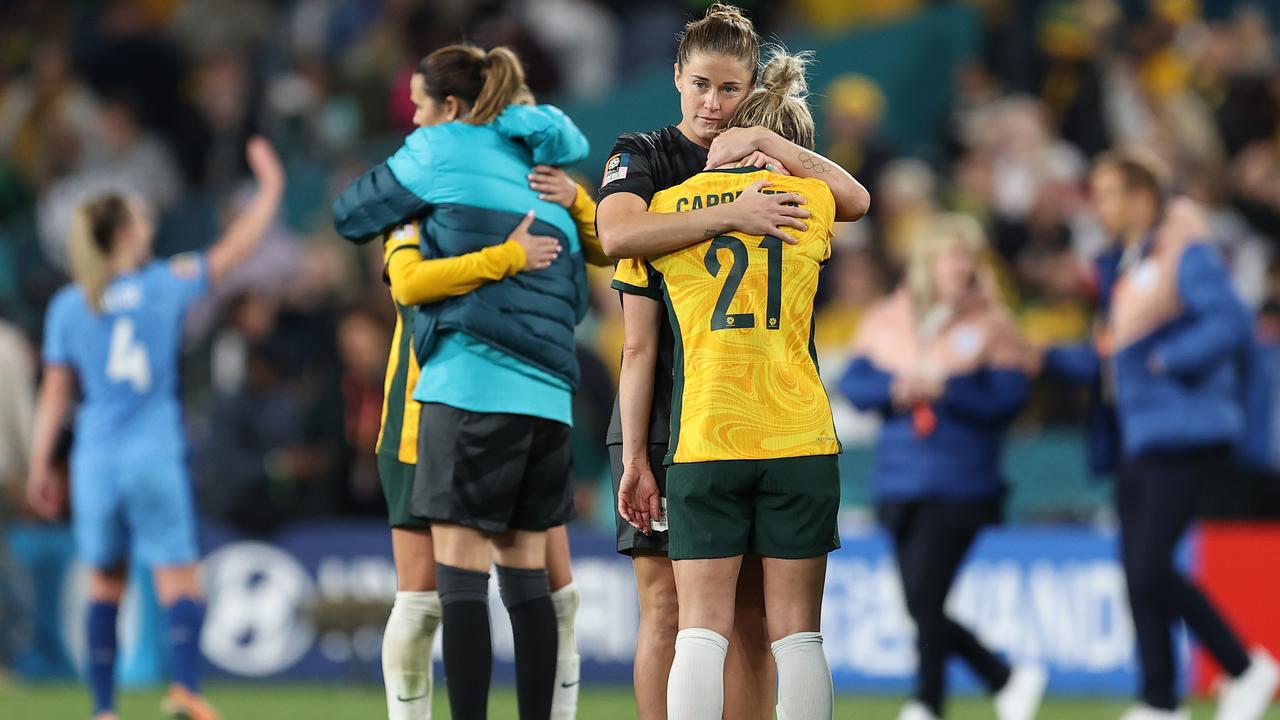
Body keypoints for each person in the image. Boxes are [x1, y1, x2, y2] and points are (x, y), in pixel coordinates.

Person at [595, 6, 869, 718]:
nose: (713, 105)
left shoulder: (768, 161)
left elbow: (854, 199)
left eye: (730, 91)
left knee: (740, 617)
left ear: (752, 91)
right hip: (669, 407)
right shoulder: (645, 153)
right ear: (677, 80)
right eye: (701, 87)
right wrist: (732, 215)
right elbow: (619, 233)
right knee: (665, 603)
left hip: (720, 415)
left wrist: (760, 147)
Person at [332, 44, 595, 720]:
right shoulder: (544, 176)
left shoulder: (436, 163)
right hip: (545, 395)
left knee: (452, 590)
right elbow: (591, 268)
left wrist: (496, 255)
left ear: (450, 109)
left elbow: (378, 245)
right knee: (527, 584)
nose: (412, 121)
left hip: (460, 394)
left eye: (420, 107)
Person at [26, 137, 284, 720]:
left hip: (95, 462)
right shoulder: (166, 284)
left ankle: (103, 709)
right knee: (178, 583)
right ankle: (185, 693)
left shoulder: (69, 305)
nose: (150, 226)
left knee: (104, 587)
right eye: (142, 220)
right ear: (124, 236)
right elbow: (235, 249)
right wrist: (269, 189)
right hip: (153, 456)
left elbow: (54, 395)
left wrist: (43, 464)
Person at [1061, 150, 1278, 720]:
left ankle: (1245, 667)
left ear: (1141, 196)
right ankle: (1160, 699)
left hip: (1182, 425)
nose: (1098, 205)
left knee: (1151, 564)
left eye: (1108, 193)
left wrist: (1165, 360)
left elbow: (1231, 318)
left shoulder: (1185, 248)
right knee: (1137, 568)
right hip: (1140, 429)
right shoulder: (1129, 259)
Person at [840, 214, 1046, 720]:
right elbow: (855, 384)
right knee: (919, 601)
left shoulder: (993, 324)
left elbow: (1009, 398)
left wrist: (947, 390)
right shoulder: (888, 319)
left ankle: (926, 701)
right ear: (928, 264)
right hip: (900, 478)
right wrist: (897, 389)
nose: (964, 267)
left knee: (925, 596)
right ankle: (1002, 676)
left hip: (962, 481)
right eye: (954, 256)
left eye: (969, 257)